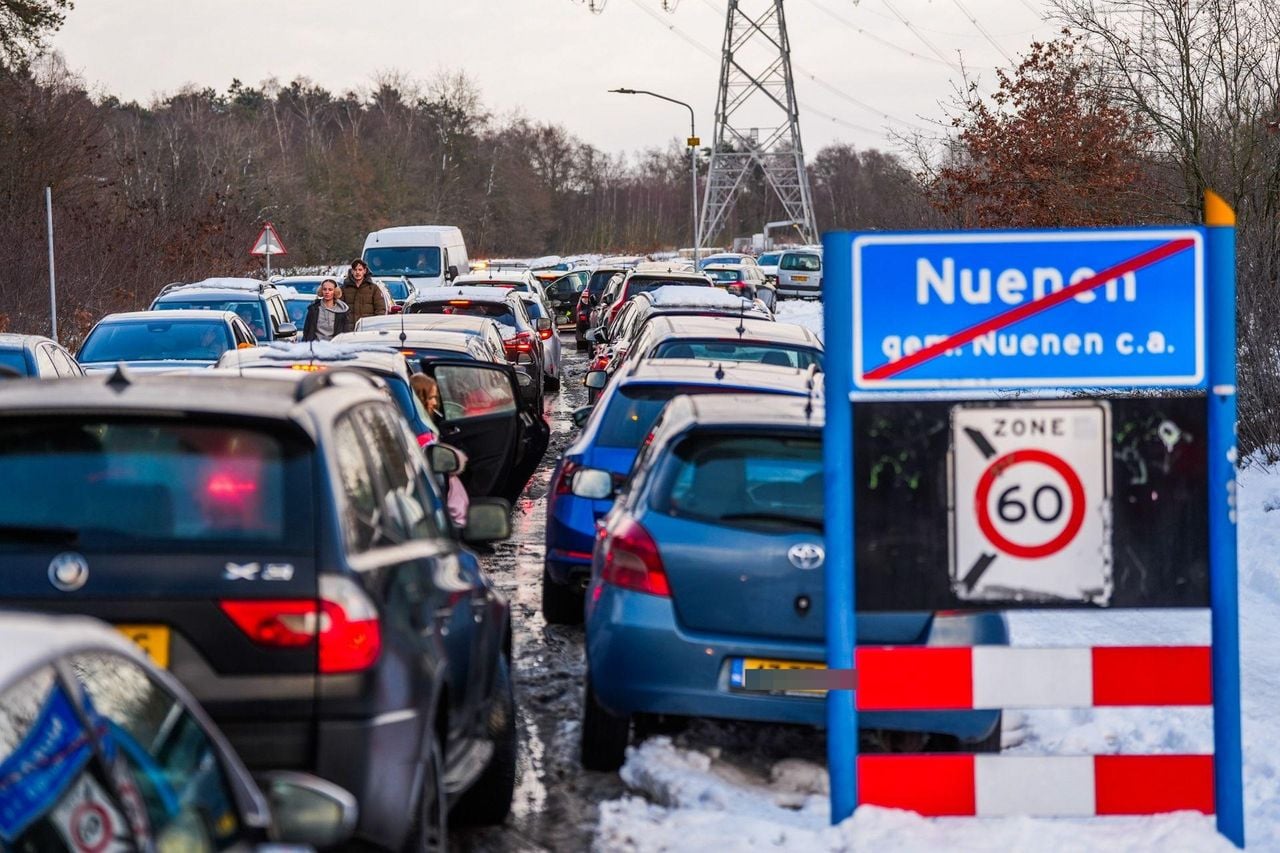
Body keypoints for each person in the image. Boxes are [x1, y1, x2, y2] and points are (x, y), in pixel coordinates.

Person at [411, 374, 469, 528]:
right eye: (431, 397)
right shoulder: (422, 433)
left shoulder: (423, 424)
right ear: (420, 398)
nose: (435, 403)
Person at [341, 258, 387, 325]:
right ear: (352, 271)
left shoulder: (373, 288)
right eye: (355, 270)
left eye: (360, 270)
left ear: (364, 271)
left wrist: (375, 324)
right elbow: (340, 309)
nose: (357, 272)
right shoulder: (344, 288)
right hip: (349, 329)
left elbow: (380, 309)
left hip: (367, 328)